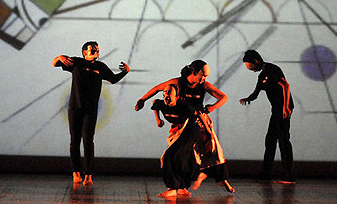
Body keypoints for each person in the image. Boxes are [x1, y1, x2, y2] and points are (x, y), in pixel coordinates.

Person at [135, 60, 235, 193]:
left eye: (206, 76)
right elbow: (157, 89)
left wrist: (212, 107)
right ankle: (181, 186)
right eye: (203, 76)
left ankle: (221, 179)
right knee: (184, 155)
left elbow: (223, 97)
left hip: (199, 121)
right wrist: (142, 100)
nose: (204, 79)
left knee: (212, 149)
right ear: (194, 72)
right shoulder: (178, 82)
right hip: (182, 123)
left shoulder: (204, 85)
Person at [52, 41, 129, 187]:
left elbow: (112, 79)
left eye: (97, 50)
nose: (96, 51)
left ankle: (88, 174)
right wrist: (60, 57)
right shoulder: (76, 62)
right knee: (75, 141)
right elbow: (55, 63)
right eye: (92, 49)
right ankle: (76, 172)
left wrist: (125, 71)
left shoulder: (100, 66)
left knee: (88, 141)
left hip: (90, 110)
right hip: (75, 108)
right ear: (84, 52)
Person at [239, 50, 295, 183]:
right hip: (275, 109)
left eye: (251, 67)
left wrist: (286, 106)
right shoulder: (262, 76)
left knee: (283, 140)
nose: (252, 70)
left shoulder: (272, 69)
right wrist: (247, 99)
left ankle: (289, 175)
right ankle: (266, 173)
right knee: (270, 140)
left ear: (256, 61)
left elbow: (285, 86)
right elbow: (256, 93)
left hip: (283, 108)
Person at [150, 84, 198, 197]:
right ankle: (182, 187)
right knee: (185, 158)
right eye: (164, 95)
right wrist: (158, 119)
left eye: (169, 96)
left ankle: (172, 188)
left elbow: (198, 116)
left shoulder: (185, 106)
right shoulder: (161, 104)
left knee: (170, 155)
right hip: (178, 132)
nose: (166, 98)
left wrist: (208, 131)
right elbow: (155, 104)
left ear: (177, 97)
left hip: (191, 131)